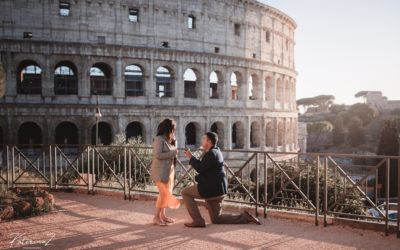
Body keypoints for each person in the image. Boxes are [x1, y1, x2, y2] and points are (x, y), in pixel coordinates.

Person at [181, 132, 261, 227]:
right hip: (219, 190)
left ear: (209, 141)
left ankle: (198, 221)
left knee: (185, 192)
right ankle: (245, 217)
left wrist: (191, 157)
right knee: (216, 219)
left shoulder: (211, 153)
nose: (202, 140)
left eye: (204, 139)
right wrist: (193, 159)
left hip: (211, 189)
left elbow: (200, 168)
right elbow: (204, 167)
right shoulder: (216, 151)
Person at [150, 118, 181, 226]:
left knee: (164, 194)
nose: (174, 131)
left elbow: (173, 151)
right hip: (160, 171)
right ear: (168, 128)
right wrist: (172, 153)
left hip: (169, 171)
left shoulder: (169, 139)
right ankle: (156, 217)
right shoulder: (159, 139)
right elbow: (157, 155)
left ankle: (163, 216)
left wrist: (174, 141)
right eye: (173, 129)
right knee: (164, 194)